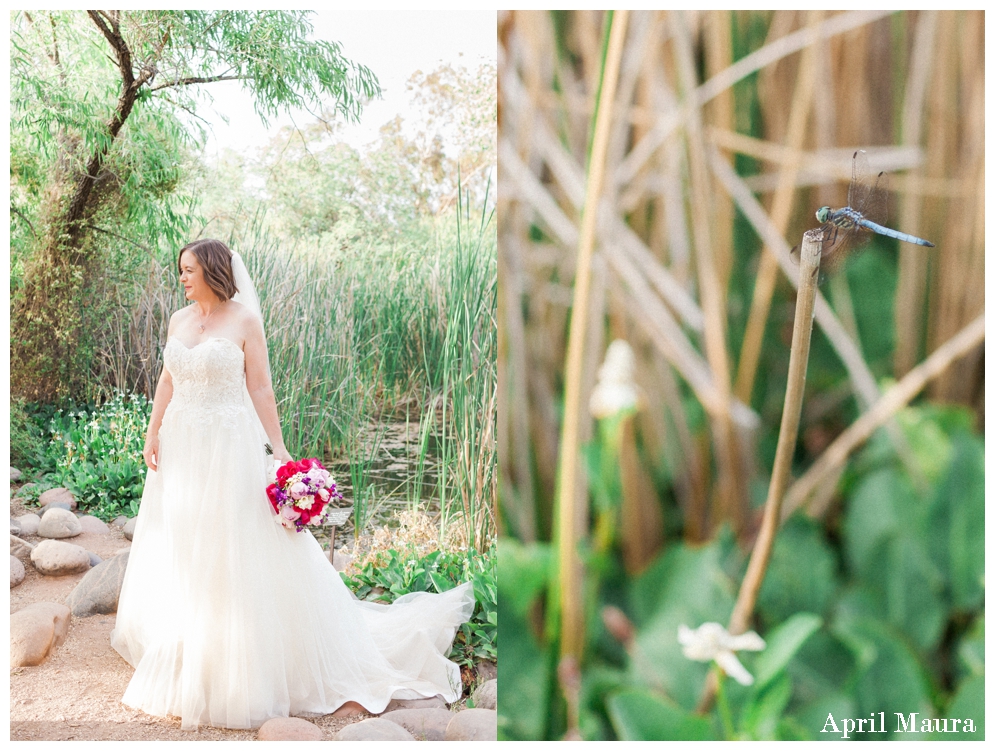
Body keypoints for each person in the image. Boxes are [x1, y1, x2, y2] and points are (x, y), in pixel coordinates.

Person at [111, 238, 474, 730]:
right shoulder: (179, 320)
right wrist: (152, 432)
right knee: (188, 542)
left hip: (227, 445)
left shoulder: (244, 321)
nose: (182, 278)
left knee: (233, 542)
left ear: (213, 271)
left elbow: (260, 387)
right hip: (183, 445)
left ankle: (241, 663)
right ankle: (193, 645)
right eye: (181, 270)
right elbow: (167, 381)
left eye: (189, 269)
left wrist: (279, 450)